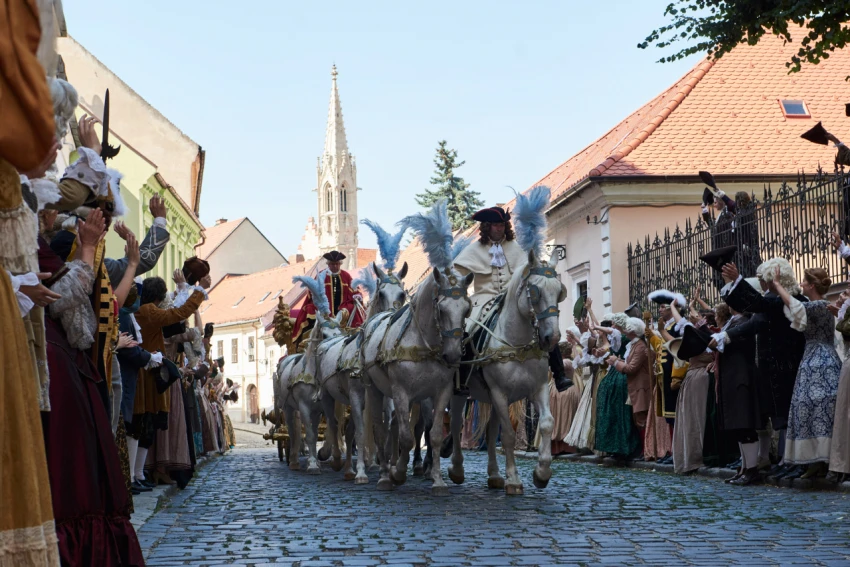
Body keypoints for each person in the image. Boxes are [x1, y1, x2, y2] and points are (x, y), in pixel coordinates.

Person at [721, 259, 808, 478]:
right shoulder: (774, 299)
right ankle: (783, 460)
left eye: (764, 280)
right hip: (773, 367)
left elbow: (757, 307)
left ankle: (791, 460)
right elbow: (755, 311)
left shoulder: (793, 299)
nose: (763, 284)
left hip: (789, 363)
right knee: (779, 416)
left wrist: (738, 280)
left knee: (788, 414)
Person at [765, 265, 840, 480]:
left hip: (818, 360)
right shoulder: (823, 305)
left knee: (815, 406)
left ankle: (823, 460)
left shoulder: (818, 305)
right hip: (817, 358)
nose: (801, 285)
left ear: (812, 285)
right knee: (808, 407)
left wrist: (778, 284)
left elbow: (794, 306)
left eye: (805, 282)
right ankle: (815, 461)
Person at [292, 251, 363, 351]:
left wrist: (357, 296)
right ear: (328, 264)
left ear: (340, 264)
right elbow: (313, 293)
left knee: (351, 308)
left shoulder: (346, 276)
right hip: (323, 311)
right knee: (310, 310)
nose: (334, 266)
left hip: (342, 311)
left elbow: (355, 291)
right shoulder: (321, 276)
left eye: (337, 264)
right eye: (332, 264)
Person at [607, 317, 653, 458]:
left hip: (641, 387)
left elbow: (632, 368)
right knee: (637, 418)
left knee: (642, 418)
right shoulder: (634, 344)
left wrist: (616, 363)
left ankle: (647, 449)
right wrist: (618, 361)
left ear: (633, 331)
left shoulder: (639, 346)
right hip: (635, 386)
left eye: (627, 328)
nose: (624, 331)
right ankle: (643, 449)